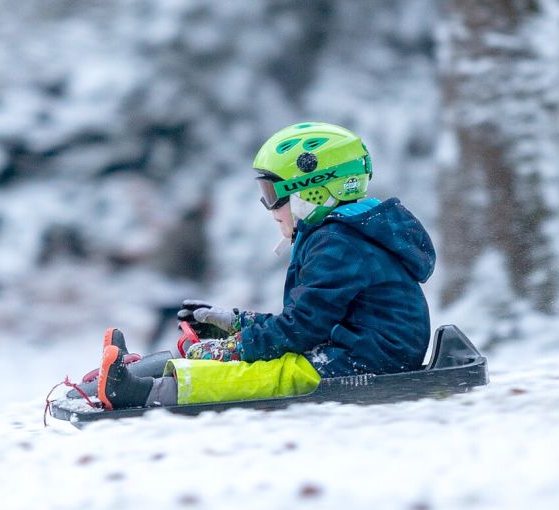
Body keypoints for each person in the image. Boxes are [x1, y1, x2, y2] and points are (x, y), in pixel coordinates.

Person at [89, 122, 436, 410]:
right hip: (357, 349)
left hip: (367, 360)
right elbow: (309, 319)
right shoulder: (342, 236)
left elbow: (302, 328)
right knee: (266, 361)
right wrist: (238, 323)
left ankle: (144, 391)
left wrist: (236, 348)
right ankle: (136, 376)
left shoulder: (338, 242)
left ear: (313, 191)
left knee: (270, 375)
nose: (268, 207)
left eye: (272, 194)